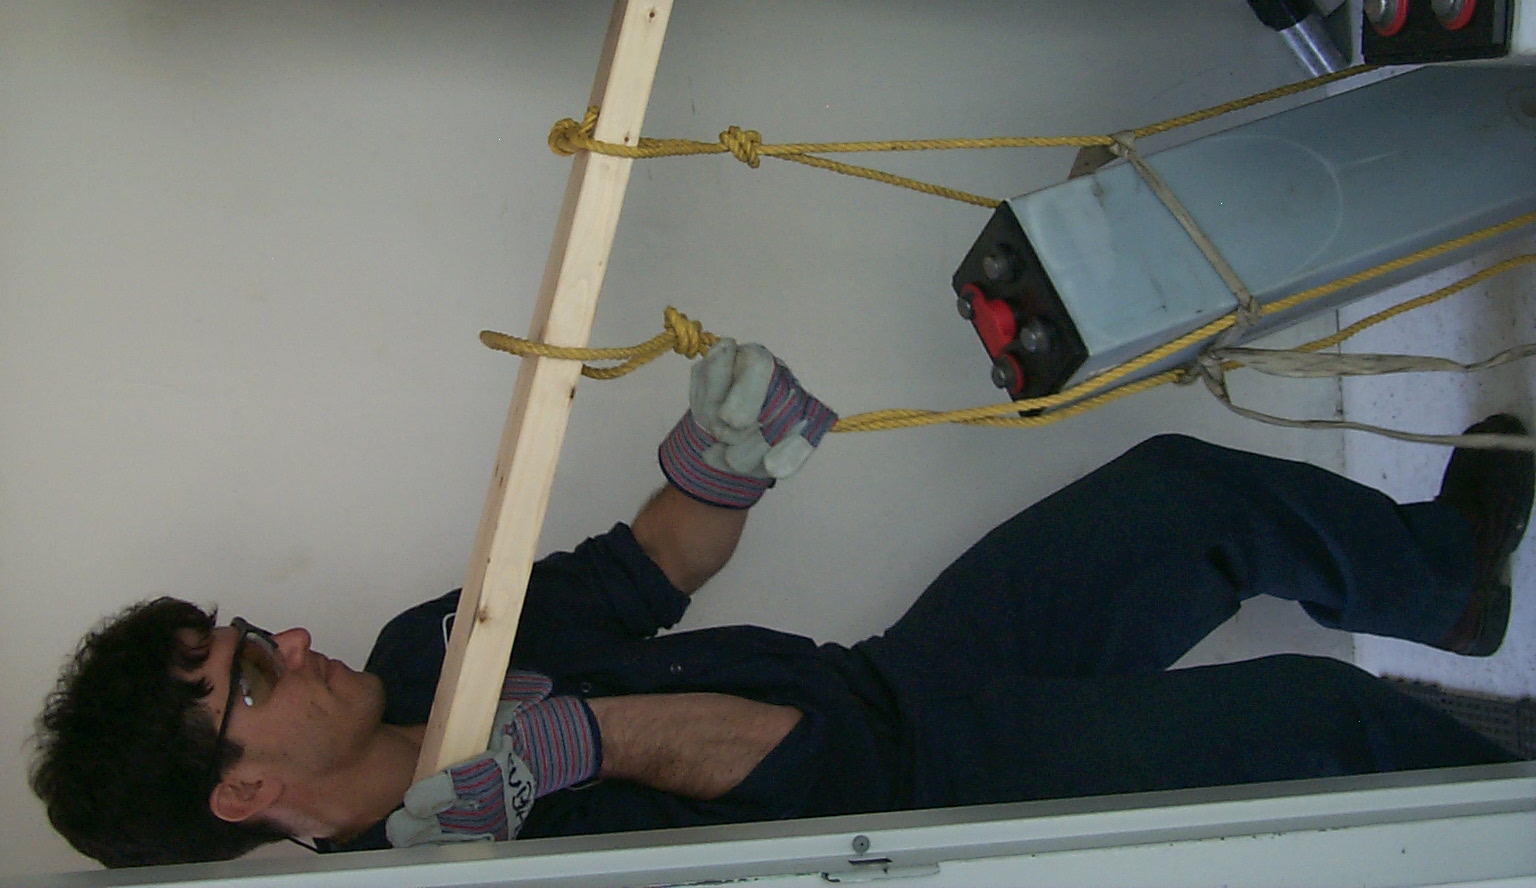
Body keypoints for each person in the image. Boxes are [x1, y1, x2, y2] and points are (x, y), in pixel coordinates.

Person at [30, 340, 1532, 867]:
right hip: (931, 799)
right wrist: (581, 749)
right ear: (244, 791)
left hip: (898, 683)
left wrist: (724, 459)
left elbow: (653, 566)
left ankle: (1448, 578)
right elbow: (777, 767)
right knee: (1318, 720)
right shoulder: (452, 878)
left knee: (1176, 500)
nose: (290, 643)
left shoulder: (429, 651)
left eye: (254, 630)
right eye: (249, 674)